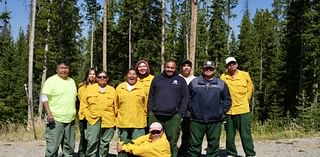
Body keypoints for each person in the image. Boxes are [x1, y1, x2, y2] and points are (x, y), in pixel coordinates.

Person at [188, 60, 231, 156]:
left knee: (213, 145)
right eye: (206, 68)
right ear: (202, 69)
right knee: (194, 145)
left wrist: (221, 112)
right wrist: (193, 110)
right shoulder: (194, 83)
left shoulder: (221, 83)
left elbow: (227, 99)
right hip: (197, 120)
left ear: (214, 70)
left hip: (215, 120)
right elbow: (188, 98)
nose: (208, 70)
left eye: (210, 68)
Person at [148, 59, 189, 157]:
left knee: (172, 141)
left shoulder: (180, 80)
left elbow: (185, 97)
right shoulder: (157, 79)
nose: (169, 69)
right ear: (164, 67)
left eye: (172, 68)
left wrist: (181, 113)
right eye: (168, 67)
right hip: (156, 115)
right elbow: (151, 96)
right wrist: (150, 111)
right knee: (154, 140)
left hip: (173, 116)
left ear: (175, 69)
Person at [220, 57, 256, 157]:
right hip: (229, 111)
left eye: (233, 63)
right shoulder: (223, 77)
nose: (231, 65)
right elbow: (221, 93)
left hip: (243, 110)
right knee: (230, 135)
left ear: (236, 64)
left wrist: (246, 100)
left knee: (245, 134)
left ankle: (250, 153)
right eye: (229, 64)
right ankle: (231, 153)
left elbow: (250, 89)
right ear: (227, 66)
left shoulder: (245, 75)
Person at [42, 60, 77, 157]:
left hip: (70, 120)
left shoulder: (72, 81)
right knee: (53, 147)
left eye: (66, 68)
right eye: (61, 68)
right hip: (55, 119)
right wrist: (49, 113)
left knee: (69, 147)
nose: (64, 70)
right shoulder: (51, 81)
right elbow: (44, 97)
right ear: (57, 70)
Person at [80, 71, 117, 157]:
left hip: (108, 120)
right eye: (100, 77)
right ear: (96, 78)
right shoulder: (89, 89)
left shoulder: (112, 90)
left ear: (107, 78)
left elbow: (116, 106)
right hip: (93, 119)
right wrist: (86, 115)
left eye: (104, 77)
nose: (102, 78)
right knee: (92, 142)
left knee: (105, 143)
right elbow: (83, 104)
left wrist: (115, 120)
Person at [116, 68, 148, 157]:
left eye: (134, 74)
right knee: (123, 147)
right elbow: (115, 104)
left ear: (137, 76)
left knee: (138, 147)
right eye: (130, 74)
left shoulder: (142, 88)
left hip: (138, 122)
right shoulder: (120, 87)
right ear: (126, 76)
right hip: (123, 122)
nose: (132, 76)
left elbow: (146, 105)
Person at [178, 60, 196, 157]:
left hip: (189, 111)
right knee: (175, 132)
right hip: (177, 109)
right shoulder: (177, 78)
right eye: (184, 66)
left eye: (188, 66)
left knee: (187, 132)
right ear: (181, 68)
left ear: (191, 68)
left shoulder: (195, 80)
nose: (186, 67)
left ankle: (185, 151)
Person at [77, 68, 96, 157]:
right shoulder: (82, 87)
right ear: (87, 75)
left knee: (94, 137)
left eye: (94, 74)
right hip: (84, 116)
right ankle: (82, 153)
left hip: (95, 116)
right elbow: (83, 101)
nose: (92, 76)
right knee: (84, 136)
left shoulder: (99, 86)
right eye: (90, 74)